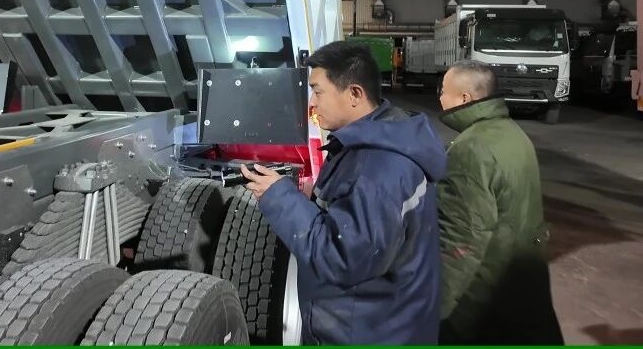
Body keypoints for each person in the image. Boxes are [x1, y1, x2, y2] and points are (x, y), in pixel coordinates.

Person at [240, 40, 447, 345]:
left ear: (354, 94)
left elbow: (342, 258)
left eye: (318, 91)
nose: (312, 103)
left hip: (368, 333)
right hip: (383, 321)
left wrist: (279, 195)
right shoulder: (380, 140)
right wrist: (312, 201)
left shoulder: (379, 168)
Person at [436, 60, 564, 345]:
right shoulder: (513, 133)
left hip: (483, 296)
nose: (440, 97)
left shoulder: (470, 149)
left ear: (464, 98)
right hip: (522, 280)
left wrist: (437, 308)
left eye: (443, 90)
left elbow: (462, 241)